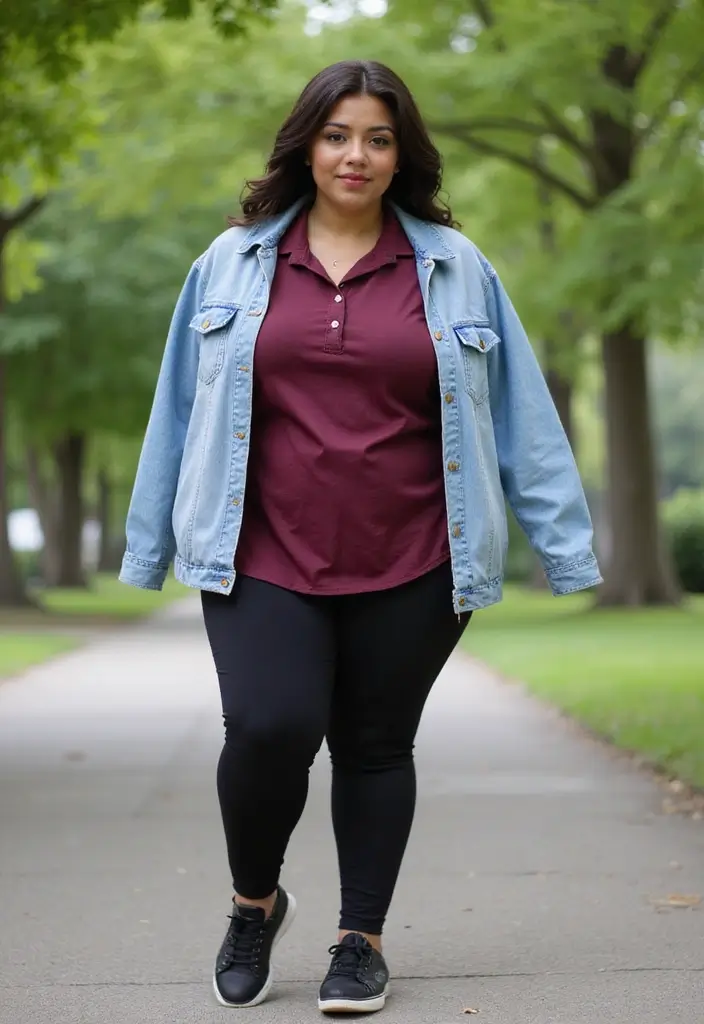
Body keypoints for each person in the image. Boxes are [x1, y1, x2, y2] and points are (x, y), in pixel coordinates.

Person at [119, 59, 602, 1014]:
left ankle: (359, 942)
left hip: (417, 552)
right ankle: (254, 905)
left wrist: (565, 544)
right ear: (306, 142)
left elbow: (520, 413)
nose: (356, 155)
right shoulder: (234, 260)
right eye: (338, 134)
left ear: (401, 155)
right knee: (269, 727)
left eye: (378, 138)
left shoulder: (457, 268)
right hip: (261, 550)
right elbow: (177, 409)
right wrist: (147, 542)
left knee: (377, 746)